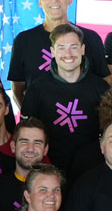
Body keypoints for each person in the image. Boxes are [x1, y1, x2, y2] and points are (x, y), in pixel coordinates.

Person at [6, 0, 109, 108]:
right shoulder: (24, 40)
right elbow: (18, 89)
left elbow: (104, 83)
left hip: (85, 122)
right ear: (40, 1)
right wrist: (30, 120)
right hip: (39, 124)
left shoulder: (91, 38)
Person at [21, 24, 106, 170]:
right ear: (52, 51)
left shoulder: (101, 87)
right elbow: (26, 132)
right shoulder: (37, 89)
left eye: (73, 47)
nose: (68, 54)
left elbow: (111, 131)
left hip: (91, 167)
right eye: (61, 48)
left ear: (83, 49)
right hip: (48, 168)